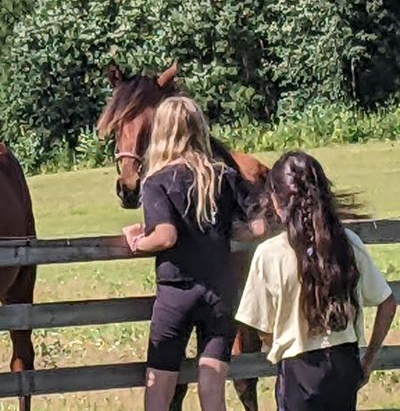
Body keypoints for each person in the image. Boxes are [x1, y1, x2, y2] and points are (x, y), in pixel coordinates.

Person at [121, 96, 264, 411]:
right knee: (213, 393)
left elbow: (165, 235)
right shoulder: (224, 176)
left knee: (159, 389)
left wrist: (137, 241)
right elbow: (257, 227)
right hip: (220, 292)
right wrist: (225, 231)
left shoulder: (157, 181)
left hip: (178, 293)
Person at [236, 151, 396, 411]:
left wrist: (276, 342)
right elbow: (387, 303)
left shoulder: (270, 254)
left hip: (299, 369)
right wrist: (368, 359)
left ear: (277, 201)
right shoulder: (347, 244)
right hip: (344, 362)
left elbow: (261, 325)